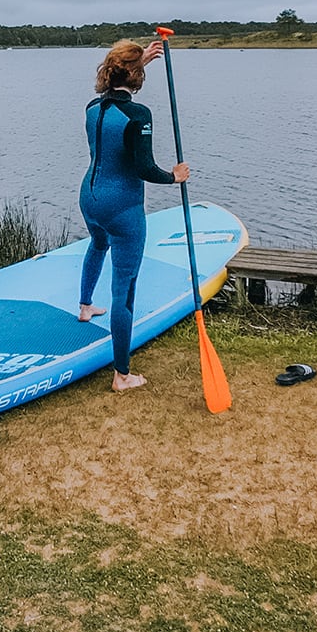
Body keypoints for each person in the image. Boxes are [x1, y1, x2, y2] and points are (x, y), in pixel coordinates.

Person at [77, 38, 190, 392]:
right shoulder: (139, 115)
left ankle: (84, 306)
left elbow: (116, 92)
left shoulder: (92, 107)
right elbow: (144, 168)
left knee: (97, 244)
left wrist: (138, 60)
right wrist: (174, 176)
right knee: (124, 290)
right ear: (136, 75)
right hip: (122, 206)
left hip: (90, 198)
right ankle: (122, 375)